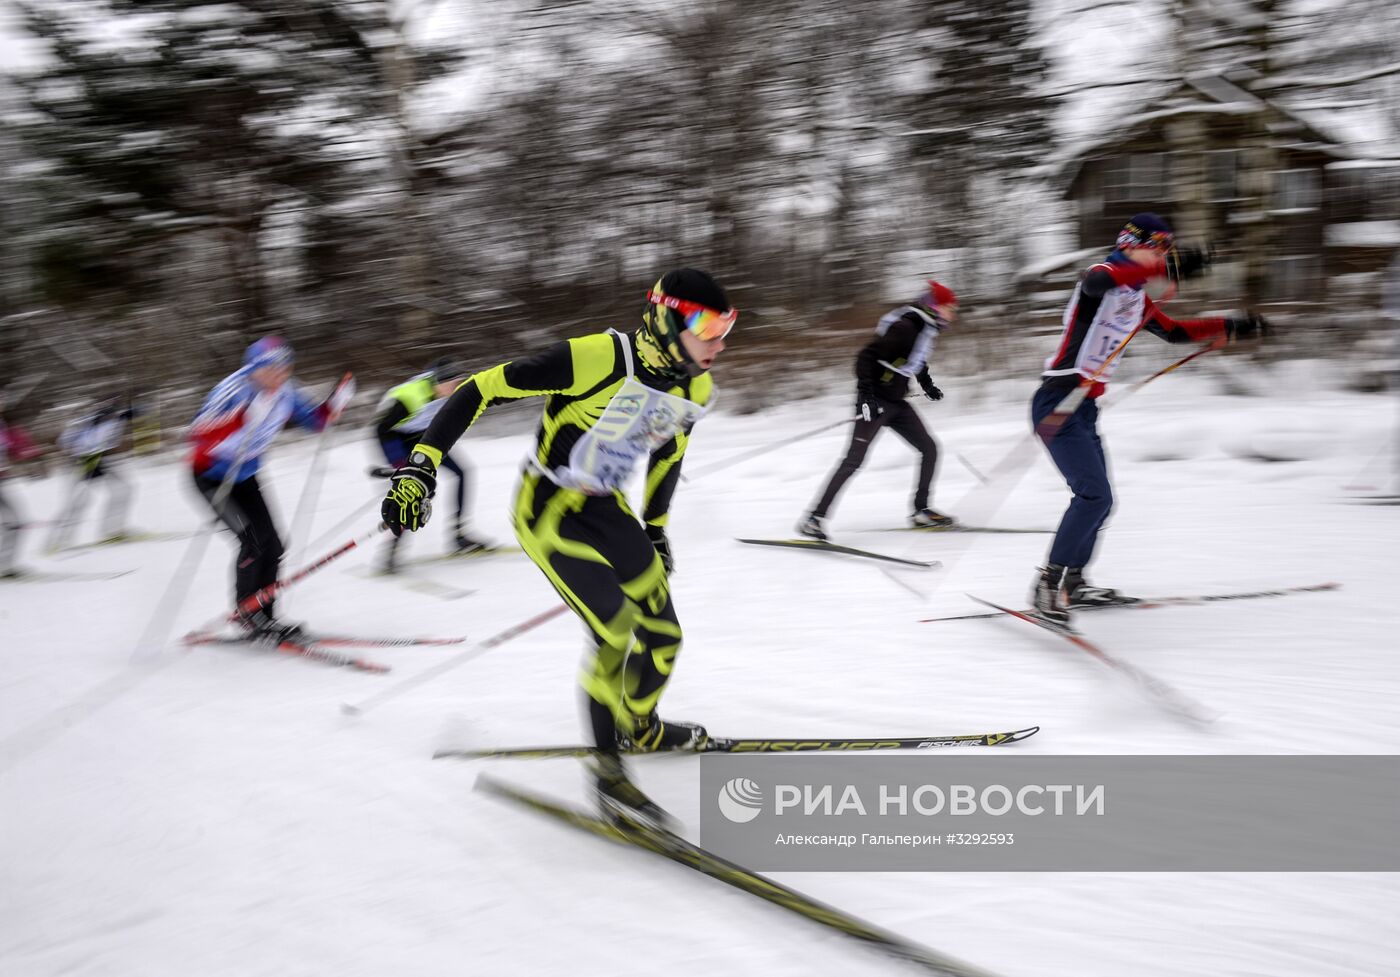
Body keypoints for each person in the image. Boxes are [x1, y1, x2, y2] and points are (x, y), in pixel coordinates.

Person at [380, 269, 733, 826]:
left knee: (664, 635)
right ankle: (609, 778)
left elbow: (668, 454)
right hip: (547, 509)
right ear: (668, 320)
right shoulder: (598, 358)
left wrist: (656, 528)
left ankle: (640, 729)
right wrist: (421, 467)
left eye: (727, 327)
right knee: (615, 627)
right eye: (709, 327)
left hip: (606, 508)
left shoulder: (695, 386)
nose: (719, 341)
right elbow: (479, 389)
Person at [1030, 213, 1268, 625]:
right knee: (1094, 497)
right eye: (1157, 247)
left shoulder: (1136, 299)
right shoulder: (1102, 276)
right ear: (1130, 243)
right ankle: (1046, 585)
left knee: (1102, 501)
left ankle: (1075, 584)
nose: (1162, 255)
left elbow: (1174, 332)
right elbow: (1097, 283)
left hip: (1084, 409)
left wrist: (1229, 325)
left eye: (1167, 250)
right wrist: (1166, 269)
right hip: (1057, 403)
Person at [189, 336, 354, 640]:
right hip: (211, 476)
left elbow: (315, 421)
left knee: (274, 545)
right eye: (271, 369)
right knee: (252, 541)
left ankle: (266, 615)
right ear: (254, 369)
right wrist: (237, 421)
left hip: (245, 476)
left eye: (285, 368)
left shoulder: (287, 392)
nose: (279, 375)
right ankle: (247, 614)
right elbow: (198, 433)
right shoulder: (232, 390)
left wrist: (334, 405)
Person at [797, 281, 959, 541]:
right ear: (935, 307)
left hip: (897, 403)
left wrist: (927, 385)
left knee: (929, 448)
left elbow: (916, 359)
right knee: (853, 460)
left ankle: (921, 511)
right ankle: (813, 519)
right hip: (876, 403)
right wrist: (866, 397)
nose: (953, 314)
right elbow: (865, 357)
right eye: (950, 308)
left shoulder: (923, 328)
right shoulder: (905, 327)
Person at [372, 358, 487, 571]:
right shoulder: (411, 397)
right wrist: (400, 464)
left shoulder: (446, 393)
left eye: (459, 383)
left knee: (462, 472)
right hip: (396, 439)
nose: (456, 389)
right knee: (410, 492)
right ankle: (391, 552)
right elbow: (381, 429)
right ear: (438, 383)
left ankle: (460, 536)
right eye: (453, 384)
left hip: (422, 436)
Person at [46, 399, 137, 551]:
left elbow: (108, 441)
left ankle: (112, 531)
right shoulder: (92, 422)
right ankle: (58, 542)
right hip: (85, 460)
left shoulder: (111, 420)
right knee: (80, 501)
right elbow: (65, 441)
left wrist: (124, 417)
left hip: (96, 459)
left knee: (123, 489)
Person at [0, 410, 40, 578]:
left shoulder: (4, 427)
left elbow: (14, 448)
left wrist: (27, 451)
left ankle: (5, 565)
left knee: (14, 523)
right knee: (13, 523)